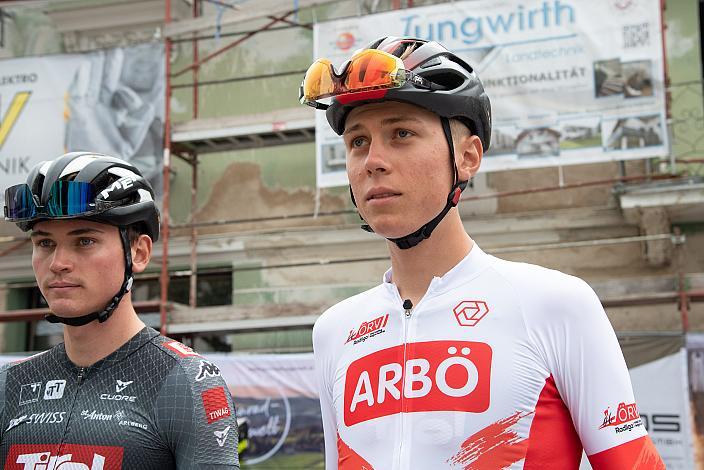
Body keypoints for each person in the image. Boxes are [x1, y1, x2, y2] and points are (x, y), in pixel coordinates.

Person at [302, 37, 665, 469]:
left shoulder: (555, 303)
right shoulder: (334, 331)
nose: (373, 160)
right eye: (358, 142)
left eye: (401, 134)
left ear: (468, 157)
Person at [1, 152, 240, 469]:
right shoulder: (10, 384)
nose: (58, 263)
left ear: (139, 253)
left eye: (84, 241)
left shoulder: (185, 382)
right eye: (45, 243)